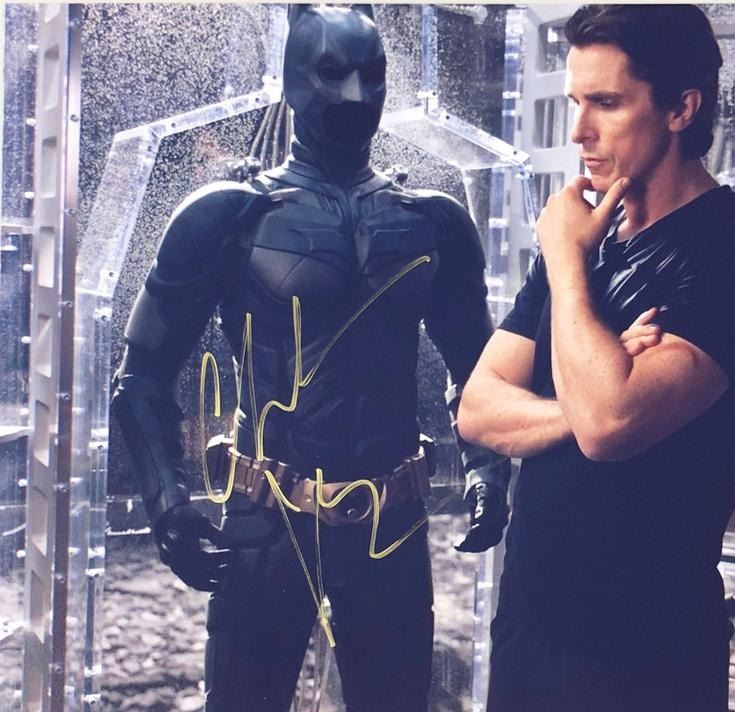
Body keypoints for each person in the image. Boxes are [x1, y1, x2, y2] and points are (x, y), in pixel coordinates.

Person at [111, 7, 508, 711]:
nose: (356, 94)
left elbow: (478, 367)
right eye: (333, 73)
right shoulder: (228, 216)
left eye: (372, 75)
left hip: (389, 519)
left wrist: (488, 465)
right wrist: (167, 503)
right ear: (294, 79)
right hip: (267, 520)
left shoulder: (432, 221)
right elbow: (141, 376)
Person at [457, 5, 735, 711]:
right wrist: (584, 398)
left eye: (607, 103)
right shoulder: (587, 240)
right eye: (576, 102)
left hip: (648, 657)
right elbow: (478, 409)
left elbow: (611, 428)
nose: (579, 130)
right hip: (530, 634)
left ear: (680, 108)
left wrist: (564, 263)